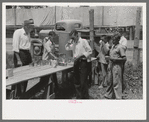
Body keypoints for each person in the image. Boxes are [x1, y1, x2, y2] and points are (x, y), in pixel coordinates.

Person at [65, 29, 92, 99]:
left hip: (83, 63)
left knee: (83, 82)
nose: (72, 39)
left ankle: (85, 98)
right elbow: (67, 48)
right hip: (76, 63)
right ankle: (79, 97)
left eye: (73, 37)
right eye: (71, 38)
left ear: (77, 35)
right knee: (76, 82)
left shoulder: (83, 41)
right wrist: (68, 42)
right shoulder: (74, 42)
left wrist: (80, 56)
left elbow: (90, 51)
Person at [12, 19, 34, 98]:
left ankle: (23, 93)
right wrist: (18, 59)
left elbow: (29, 46)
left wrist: (31, 58)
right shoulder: (18, 32)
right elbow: (15, 47)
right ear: (26, 26)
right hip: (20, 54)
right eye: (31, 26)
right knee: (19, 75)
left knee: (26, 75)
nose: (32, 28)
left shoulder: (28, 33)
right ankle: (17, 94)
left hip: (27, 54)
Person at [104, 33, 127, 99]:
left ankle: (118, 97)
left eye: (114, 40)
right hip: (111, 65)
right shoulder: (113, 47)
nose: (113, 41)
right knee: (110, 80)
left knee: (116, 82)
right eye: (112, 40)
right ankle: (109, 95)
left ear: (118, 40)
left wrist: (113, 59)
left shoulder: (120, 47)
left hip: (117, 66)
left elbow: (124, 58)